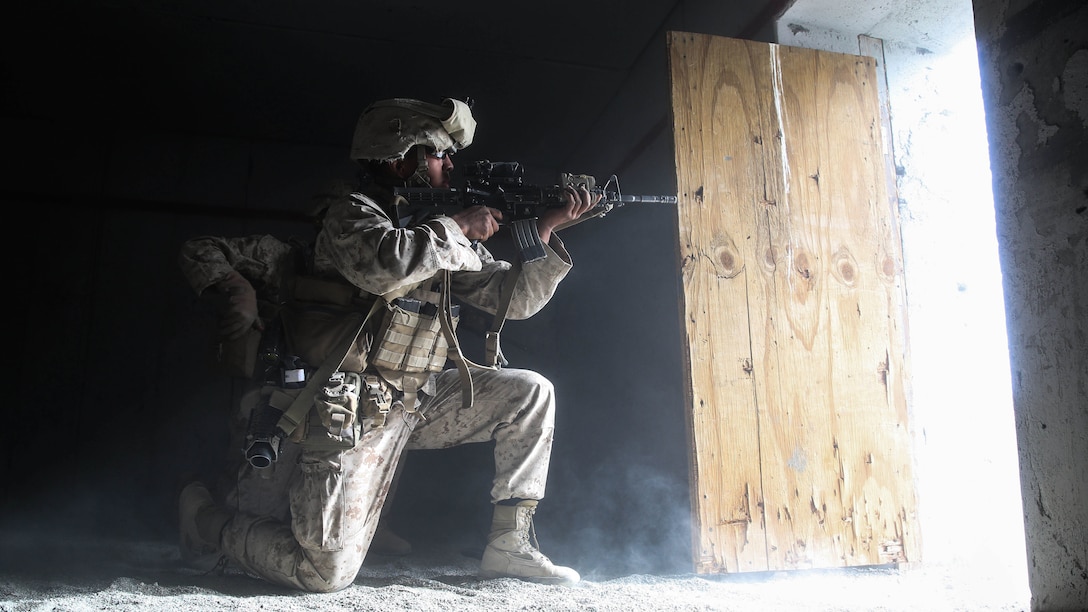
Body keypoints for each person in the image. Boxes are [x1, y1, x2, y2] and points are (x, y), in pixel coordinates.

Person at [176, 97, 598, 592]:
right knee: (322, 573)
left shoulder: (436, 231)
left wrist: (545, 230)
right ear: (402, 159)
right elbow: (384, 268)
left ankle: (510, 545)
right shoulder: (350, 216)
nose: (449, 165)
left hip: (418, 400)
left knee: (531, 392)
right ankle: (204, 522)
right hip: (345, 410)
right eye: (438, 154)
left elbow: (515, 300)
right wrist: (458, 226)